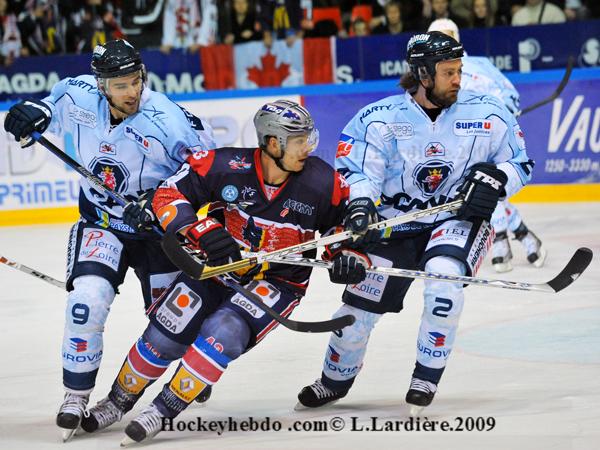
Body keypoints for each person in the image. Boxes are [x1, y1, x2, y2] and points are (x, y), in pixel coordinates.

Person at [78, 99, 371, 444]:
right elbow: (168, 194)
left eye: (309, 138)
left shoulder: (324, 182)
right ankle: (117, 400)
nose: (308, 146)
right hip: (219, 269)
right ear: (273, 143)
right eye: (299, 140)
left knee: (226, 330)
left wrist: (349, 255)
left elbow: (345, 229)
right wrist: (198, 229)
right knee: (166, 332)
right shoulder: (226, 165)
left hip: (279, 281)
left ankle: (162, 409)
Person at [295, 31, 533, 415]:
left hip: (457, 220)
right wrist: (360, 206)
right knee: (354, 316)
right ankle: (333, 381)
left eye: (459, 70)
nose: (459, 79)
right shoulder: (379, 119)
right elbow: (359, 173)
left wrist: (497, 178)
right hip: (395, 226)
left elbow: (520, 164)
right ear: (423, 74)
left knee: (443, 280)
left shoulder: (488, 112)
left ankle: (426, 377)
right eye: (449, 72)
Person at [2, 39, 216, 440]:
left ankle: (187, 368)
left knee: (170, 322)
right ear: (102, 86)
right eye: (120, 85)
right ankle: (75, 395)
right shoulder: (78, 93)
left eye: (135, 80)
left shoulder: (168, 120)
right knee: (88, 300)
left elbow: (204, 173)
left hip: (156, 233)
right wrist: (31, 114)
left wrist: (157, 200)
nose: (131, 91)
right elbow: (48, 110)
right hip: (102, 222)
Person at [428, 18, 546, 272]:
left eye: (446, 36)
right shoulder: (431, 73)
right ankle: (526, 237)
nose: (441, 43)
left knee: (487, 188)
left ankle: (502, 241)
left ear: (457, 37)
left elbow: (509, 94)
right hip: (455, 145)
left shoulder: (479, 65)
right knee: (478, 192)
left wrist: (504, 113)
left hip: (488, 140)